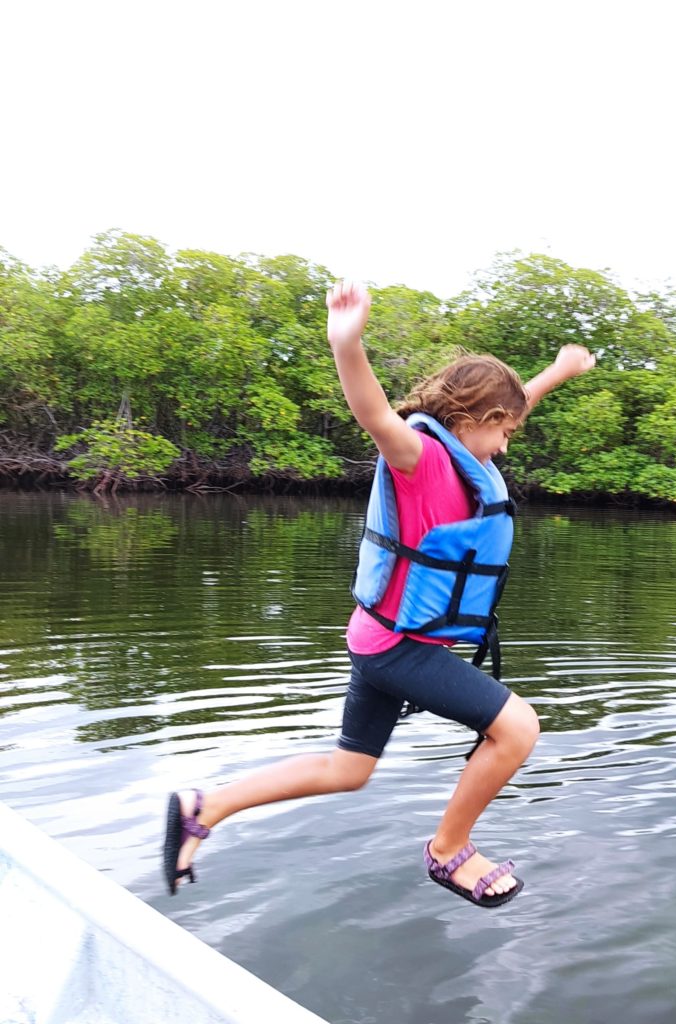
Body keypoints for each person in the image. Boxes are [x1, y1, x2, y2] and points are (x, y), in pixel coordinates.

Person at [163, 279, 595, 907]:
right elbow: (372, 411)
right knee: (519, 729)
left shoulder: (466, 453)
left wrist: (556, 372)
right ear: (475, 421)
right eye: (506, 432)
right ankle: (449, 852)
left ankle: (205, 807)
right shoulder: (418, 457)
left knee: (349, 768)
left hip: (379, 639)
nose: (507, 447)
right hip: (396, 646)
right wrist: (348, 342)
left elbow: (515, 399)